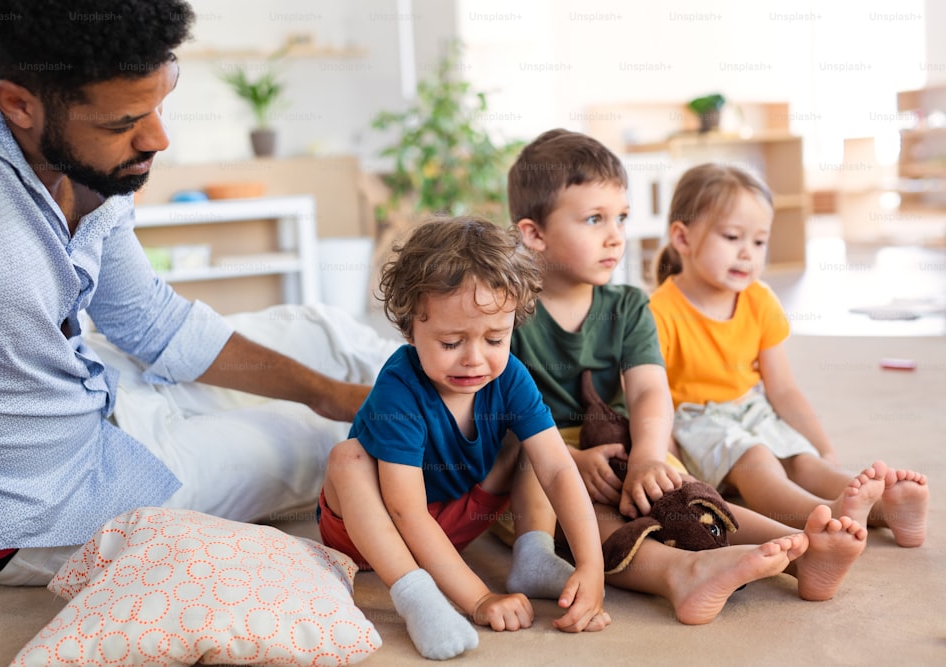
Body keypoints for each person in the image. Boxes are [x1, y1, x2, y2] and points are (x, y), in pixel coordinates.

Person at [0, 0, 394, 587]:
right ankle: (469, 450)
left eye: (160, 101)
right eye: (122, 123)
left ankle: (506, 408)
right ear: (18, 105)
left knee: (323, 333)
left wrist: (329, 393)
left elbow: (151, 321)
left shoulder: (81, 154)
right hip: (49, 504)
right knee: (325, 447)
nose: (157, 137)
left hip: (105, 392)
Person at [506, 128, 869, 623]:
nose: (616, 235)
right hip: (540, 454)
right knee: (593, 519)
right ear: (534, 233)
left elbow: (651, 389)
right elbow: (491, 411)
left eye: (621, 218)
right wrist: (568, 456)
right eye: (594, 219)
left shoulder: (629, 305)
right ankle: (677, 574)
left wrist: (650, 455)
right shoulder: (508, 314)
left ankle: (802, 548)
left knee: (687, 494)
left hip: (622, 439)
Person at [318, 217, 609, 660]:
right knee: (347, 458)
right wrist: (478, 598)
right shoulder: (399, 388)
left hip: (456, 521)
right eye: (452, 342)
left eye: (495, 338)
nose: (475, 360)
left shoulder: (509, 375)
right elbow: (406, 511)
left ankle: (534, 556)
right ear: (409, 328)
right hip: (374, 533)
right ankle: (417, 596)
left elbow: (556, 468)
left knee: (536, 447)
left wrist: (592, 567)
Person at [648, 162, 928, 546]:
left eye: (759, 242)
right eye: (732, 237)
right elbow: (653, 400)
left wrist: (823, 448)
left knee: (802, 459)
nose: (748, 253)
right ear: (682, 238)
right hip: (698, 422)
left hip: (753, 408)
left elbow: (783, 390)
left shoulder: (760, 299)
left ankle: (887, 508)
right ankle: (828, 512)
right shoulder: (658, 312)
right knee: (759, 459)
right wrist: (674, 470)